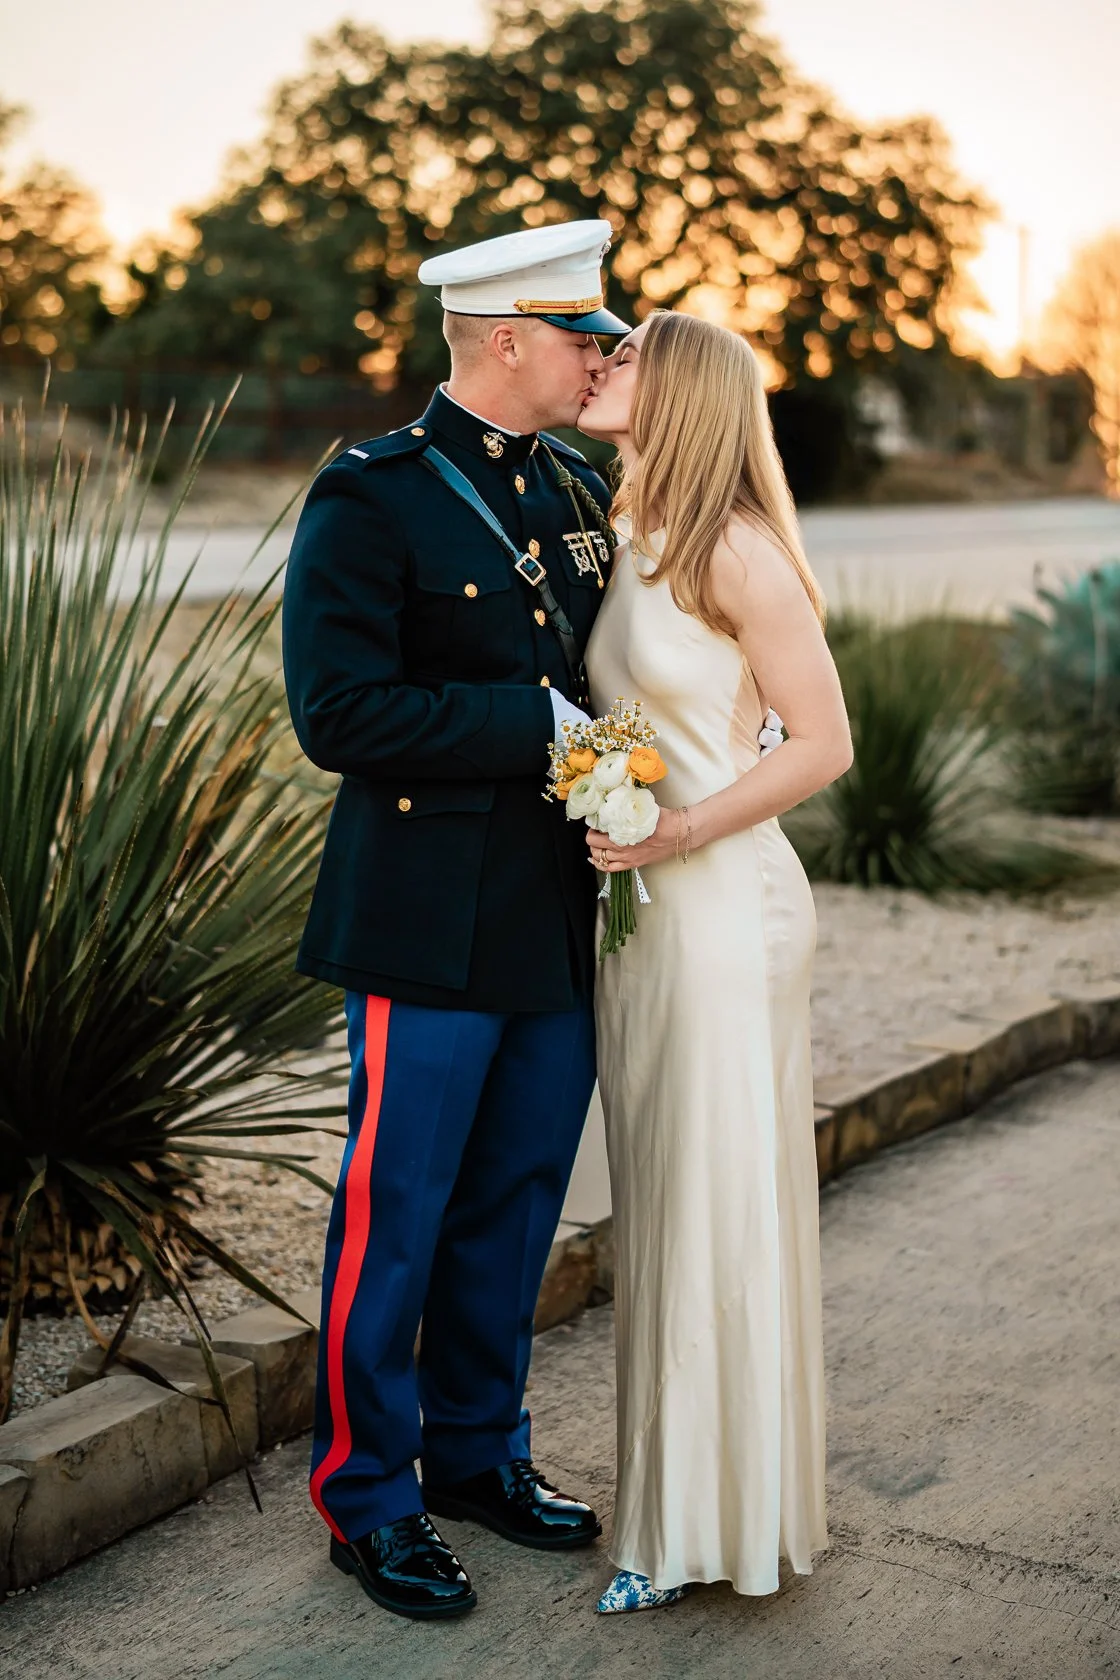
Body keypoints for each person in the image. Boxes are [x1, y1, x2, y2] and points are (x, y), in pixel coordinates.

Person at [281, 220, 630, 1622]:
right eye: (581, 333)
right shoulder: (371, 496)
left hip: (548, 908)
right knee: (399, 1214)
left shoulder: (571, 480)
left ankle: (479, 1454)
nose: (601, 352)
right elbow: (337, 714)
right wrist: (523, 721)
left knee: (514, 1204)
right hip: (424, 917)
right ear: (503, 339)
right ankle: (367, 1496)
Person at [576, 310, 853, 1612]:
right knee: (667, 1204)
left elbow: (821, 742)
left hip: (728, 913)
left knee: (713, 1212)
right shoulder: (630, 534)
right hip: (643, 921)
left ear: (679, 392)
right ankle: (680, 1502)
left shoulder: (738, 550)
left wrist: (681, 821)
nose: (599, 359)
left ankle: (693, 1531)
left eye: (623, 353)